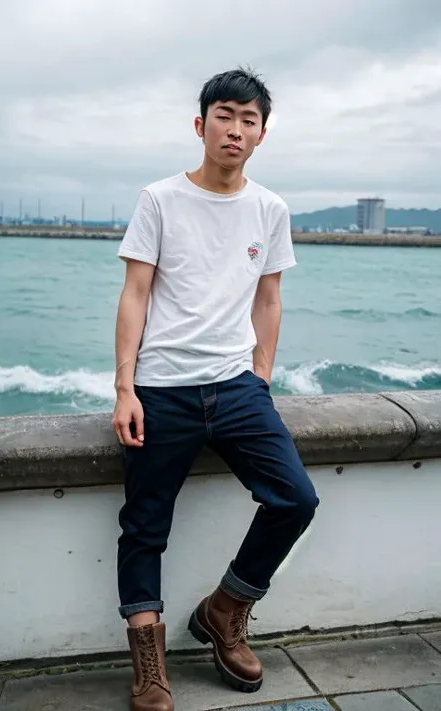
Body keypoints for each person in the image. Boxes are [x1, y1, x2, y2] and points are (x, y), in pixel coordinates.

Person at [112, 67, 319, 711]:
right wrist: (126, 387)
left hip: (236, 387)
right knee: (145, 527)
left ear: (262, 134)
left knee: (295, 499)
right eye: (225, 115)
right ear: (202, 125)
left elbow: (270, 298)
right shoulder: (159, 199)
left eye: (249, 119)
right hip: (163, 388)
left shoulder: (270, 209)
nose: (236, 128)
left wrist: (260, 377)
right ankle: (149, 664)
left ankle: (225, 608)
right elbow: (136, 293)